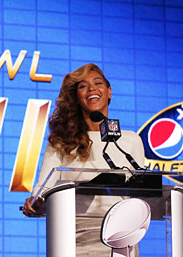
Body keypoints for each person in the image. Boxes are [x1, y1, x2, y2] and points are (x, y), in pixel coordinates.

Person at [22, 63, 145, 257]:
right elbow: (44, 187)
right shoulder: (61, 142)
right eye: (83, 86)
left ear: (109, 92)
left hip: (120, 241)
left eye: (98, 83)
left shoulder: (130, 140)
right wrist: (35, 201)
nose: (92, 89)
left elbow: (143, 193)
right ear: (77, 97)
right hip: (74, 241)